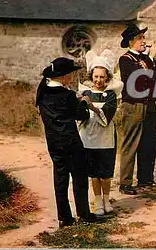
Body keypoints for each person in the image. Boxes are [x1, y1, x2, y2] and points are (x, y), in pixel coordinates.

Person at [35, 57, 104, 227]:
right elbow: (81, 116)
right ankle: (84, 213)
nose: (72, 77)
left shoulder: (43, 92)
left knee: (60, 178)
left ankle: (64, 217)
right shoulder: (67, 95)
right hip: (71, 141)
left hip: (53, 142)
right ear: (64, 76)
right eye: (71, 74)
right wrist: (85, 103)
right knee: (79, 177)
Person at [118, 22, 156, 195]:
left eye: (144, 37)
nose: (144, 41)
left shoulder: (145, 59)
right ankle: (125, 182)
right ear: (131, 41)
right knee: (131, 142)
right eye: (140, 38)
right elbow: (137, 79)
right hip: (134, 105)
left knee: (149, 143)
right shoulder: (125, 59)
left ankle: (145, 178)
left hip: (149, 104)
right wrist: (148, 65)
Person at [78, 50, 123, 215]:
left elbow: (107, 116)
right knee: (93, 173)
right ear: (91, 77)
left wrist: (92, 108)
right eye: (96, 77)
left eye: (102, 77)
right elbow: (80, 116)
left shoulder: (111, 95)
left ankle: (106, 198)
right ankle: (97, 201)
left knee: (105, 173)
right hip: (88, 137)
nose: (98, 80)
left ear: (107, 78)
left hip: (105, 138)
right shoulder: (86, 93)